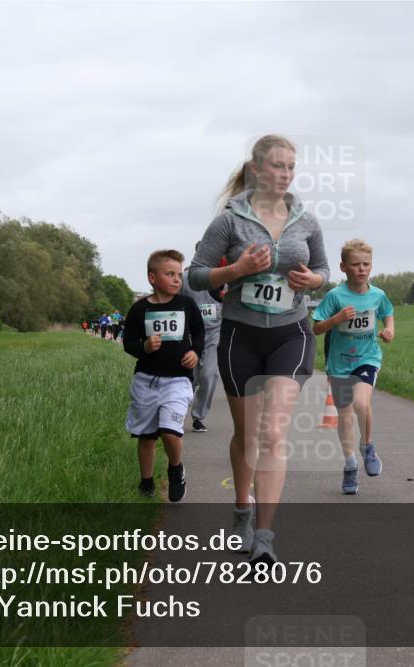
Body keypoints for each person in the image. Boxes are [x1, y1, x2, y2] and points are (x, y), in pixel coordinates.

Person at [188, 134, 330, 565]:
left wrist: (315, 281)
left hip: (292, 333)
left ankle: (265, 537)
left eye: (291, 167)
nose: (285, 175)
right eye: (277, 166)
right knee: (248, 436)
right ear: (256, 169)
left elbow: (324, 268)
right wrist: (237, 269)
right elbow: (196, 276)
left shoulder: (306, 219)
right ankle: (242, 511)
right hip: (240, 336)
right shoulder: (229, 221)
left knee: (272, 435)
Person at [311, 239, 394, 495]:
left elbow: (387, 312)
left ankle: (367, 446)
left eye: (366, 264)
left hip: (367, 358)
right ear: (343, 267)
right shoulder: (335, 296)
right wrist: (336, 319)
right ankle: (349, 465)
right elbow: (316, 328)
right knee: (345, 415)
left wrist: (389, 329)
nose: (361, 269)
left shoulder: (377, 294)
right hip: (339, 364)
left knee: (361, 403)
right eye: (355, 264)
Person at [123, 249, 205, 502]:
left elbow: (199, 333)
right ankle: (146, 482)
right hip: (146, 380)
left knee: (170, 430)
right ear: (152, 277)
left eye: (179, 275)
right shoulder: (139, 310)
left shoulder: (186, 305)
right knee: (147, 436)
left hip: (178, 380)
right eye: (170, 274)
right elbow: (128, 343)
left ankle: (175, 468)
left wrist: (195, 352)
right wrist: (144, 347)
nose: (176, 279)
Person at [180, 242, 223, 433]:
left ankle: (198, 416)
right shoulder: (185, 278)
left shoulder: (222, 276)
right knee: (190, 377)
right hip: (190, 335)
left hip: (215, 333)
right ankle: (177, 413)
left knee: (209, 375)